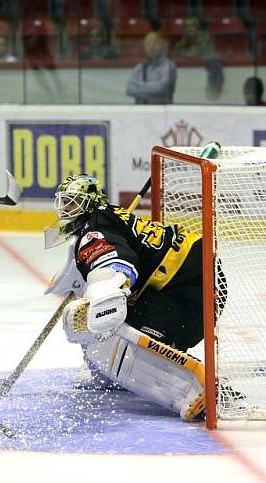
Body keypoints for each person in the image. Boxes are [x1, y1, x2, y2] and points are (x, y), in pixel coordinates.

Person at [46, 174, 214, 421]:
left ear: (89, 203)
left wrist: (105, 294)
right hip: (190, 280)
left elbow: (117, 265)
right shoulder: (103, 218)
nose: (66, 208)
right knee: (106, 324)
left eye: (74, 202)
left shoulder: (94, 231)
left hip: (192, 288)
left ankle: (198, 392)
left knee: (113, 328)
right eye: (65, 202)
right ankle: (106, 372)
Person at [126, 32, 176, 104]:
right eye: (148, 44)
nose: (151, 47)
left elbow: (163, 88)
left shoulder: (169, 66)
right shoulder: (139, 68)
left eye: (155, 43)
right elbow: (129, 90)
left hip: (162, 112)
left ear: (161, 45)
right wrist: (152, 89)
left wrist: (140, 86)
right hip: (140, 112)